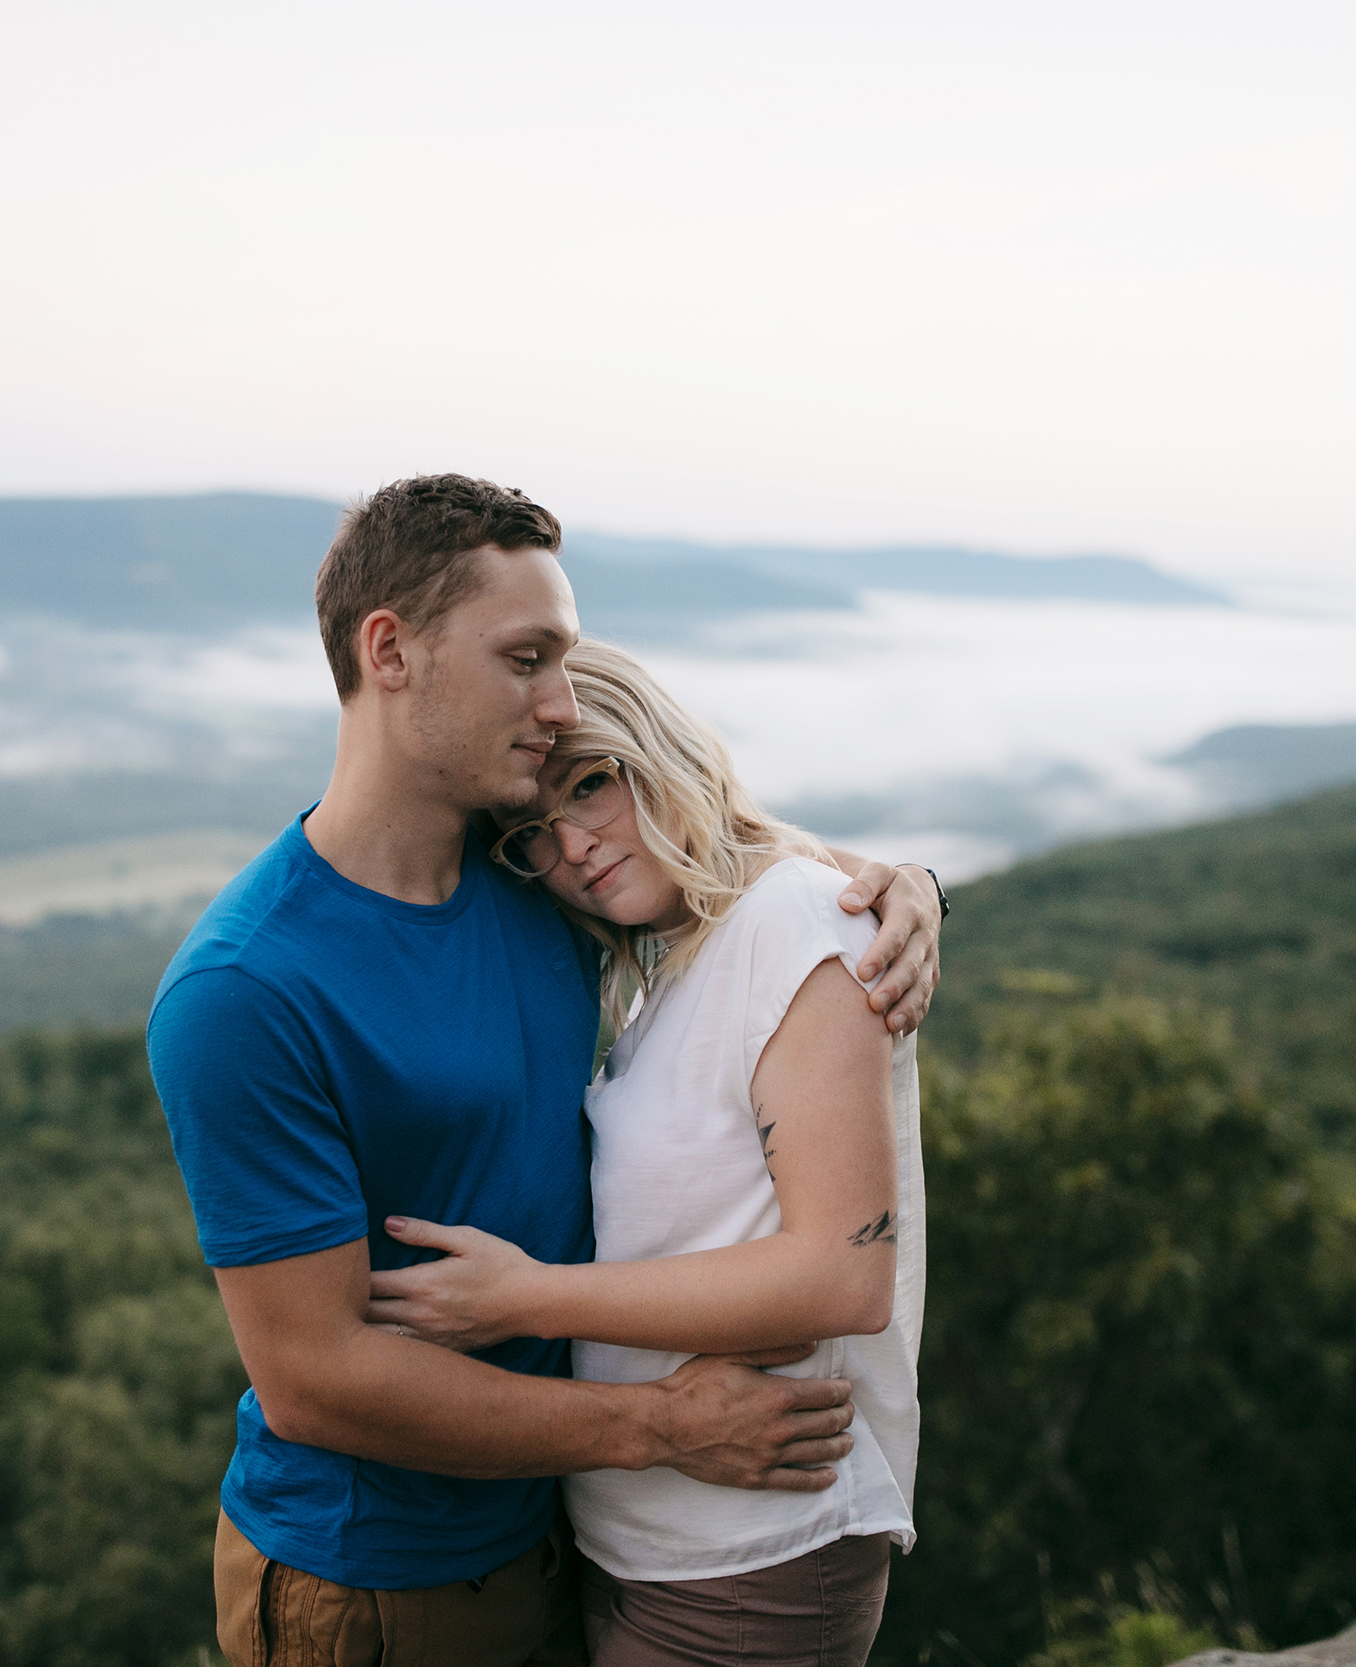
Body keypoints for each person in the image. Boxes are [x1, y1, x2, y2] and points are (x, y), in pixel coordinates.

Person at [145, 475, 942, 1667]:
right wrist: (656, 1425)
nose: (557, 702)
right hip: (379, 1575)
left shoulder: (522, 877)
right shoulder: (246, 991)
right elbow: (316, 1380)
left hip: (568, 1529)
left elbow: (716, 859)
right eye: (525, 658)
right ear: (390, 650)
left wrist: (904, 885)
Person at [365, 638, 922, 1666]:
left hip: (753, 1551)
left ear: (655, 749)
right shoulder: (659, 961)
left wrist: (523, 1297)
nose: (570, 844)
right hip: (645, 1542)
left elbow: (841, 1275)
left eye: (591, 784)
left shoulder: (793, 919)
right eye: (532, 831)